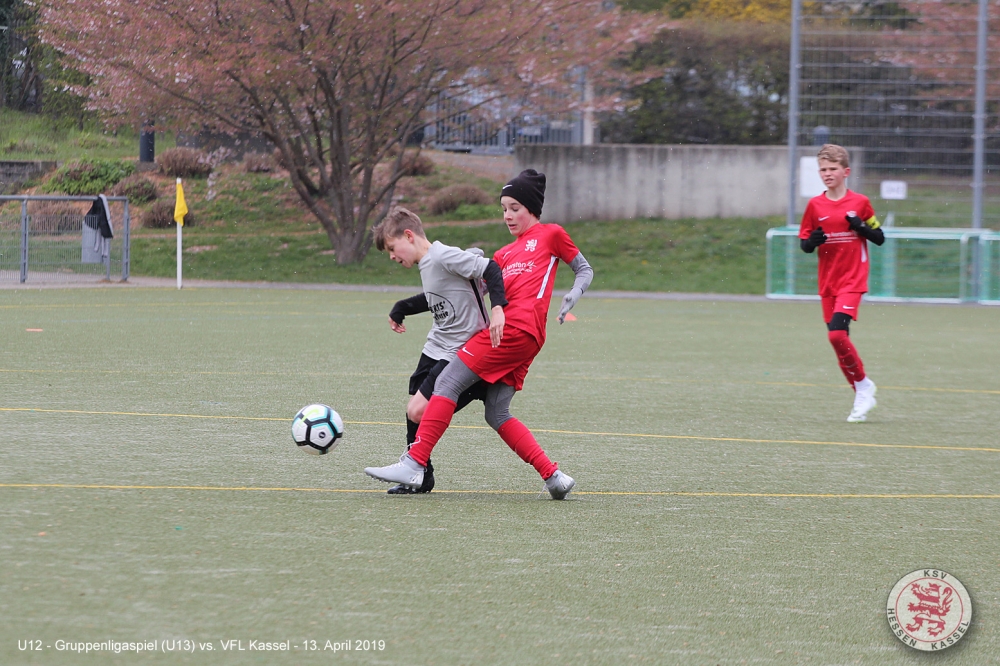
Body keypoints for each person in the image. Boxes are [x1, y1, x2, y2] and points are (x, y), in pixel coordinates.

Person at [365, 169, 594, 499]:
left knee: (446, 382)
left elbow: (584, 268)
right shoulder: (503, 254)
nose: (508, 215)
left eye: (515, 208)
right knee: (496, 412)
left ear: (532, 207)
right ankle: (554, 476)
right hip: (522, 339)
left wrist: (574, 292)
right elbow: (465, 291)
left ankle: (414, 463)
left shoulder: (552, 234)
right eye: (504, 209)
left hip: (514, 330)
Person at [373, 207, 508, 494]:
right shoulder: (428, 263)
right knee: (413, 410)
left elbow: (491, 268)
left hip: (459, 351)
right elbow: (438, 296)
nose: (392, 256)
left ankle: (417, 470)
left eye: (393, 249)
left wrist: (498, 308)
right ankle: (421, 475)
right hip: (437, 345)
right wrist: (402, 307)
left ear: (409, 236)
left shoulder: (443, 255)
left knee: (417, 410)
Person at [799, 144, 885, 422]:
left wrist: (860, 227)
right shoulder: (815, 205)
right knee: (839, 341)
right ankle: (861, 389)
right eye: (823, 169)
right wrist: (812, 242)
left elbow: (879, 237)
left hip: (853, 279)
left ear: (845, 172)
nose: (827, 173)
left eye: (832, 169)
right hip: (828, 282)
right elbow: (805, 243)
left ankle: (862, 386)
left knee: (836, 335)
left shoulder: (860, 202)